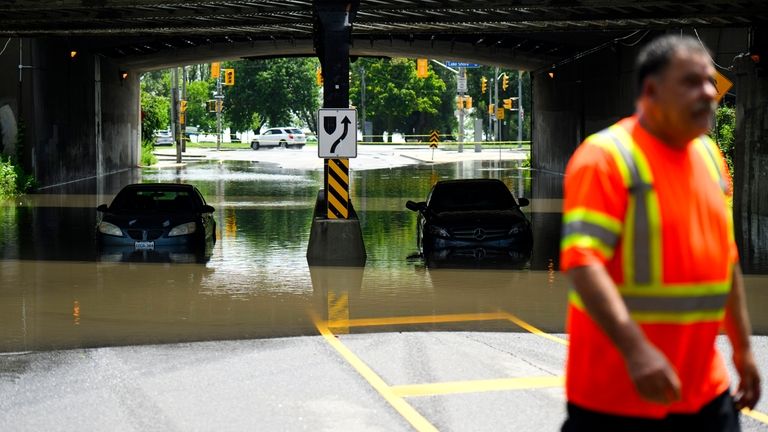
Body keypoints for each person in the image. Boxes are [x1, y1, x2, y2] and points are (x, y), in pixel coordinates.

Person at [560, 34, 761, 431]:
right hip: (618, 398)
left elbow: (727, 261)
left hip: (705, 394)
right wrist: (638, 353)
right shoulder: (606, 158)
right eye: (691, 82)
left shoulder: (709, 156)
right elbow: (582, 263)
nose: (709, 93)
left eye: (710, 81)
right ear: (651, 90)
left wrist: (742, 350)